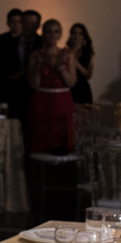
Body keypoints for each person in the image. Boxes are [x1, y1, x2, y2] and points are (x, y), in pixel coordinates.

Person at [26, 18, 77, 154]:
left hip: (63, 99)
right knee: (40, 136)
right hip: (42, 99)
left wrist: (60, 66)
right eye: (48, 31)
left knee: (62, 135)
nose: (52, 35)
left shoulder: (67, 54)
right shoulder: (36, 55)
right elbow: (34, 83)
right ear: (43, 33)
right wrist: (39, 64)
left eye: (56, 32)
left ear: (60, 34)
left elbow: (72, 82)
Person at [7, 9, 43, 129]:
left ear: (38, 25)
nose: (29, 26)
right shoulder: (8, 42)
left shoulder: (43, 43)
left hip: (35, 94)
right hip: (12, 94)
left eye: (33, 23)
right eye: (26, 22)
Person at [0, 8, 23, 104]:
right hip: (3, 85)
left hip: (21, 88)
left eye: (19, 22)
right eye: (13, 22)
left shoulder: (27, 41)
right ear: (8, 23)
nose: (16, 25)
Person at [67, 22, 95, 104]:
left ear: (84, 36)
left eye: (80, 34)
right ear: (70, 35)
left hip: (82, 89)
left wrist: (74, 62)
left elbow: (89, 75)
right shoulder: (64, 52)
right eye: (74, 33)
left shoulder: (88, 53)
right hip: (68, 88)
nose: (77, 36)